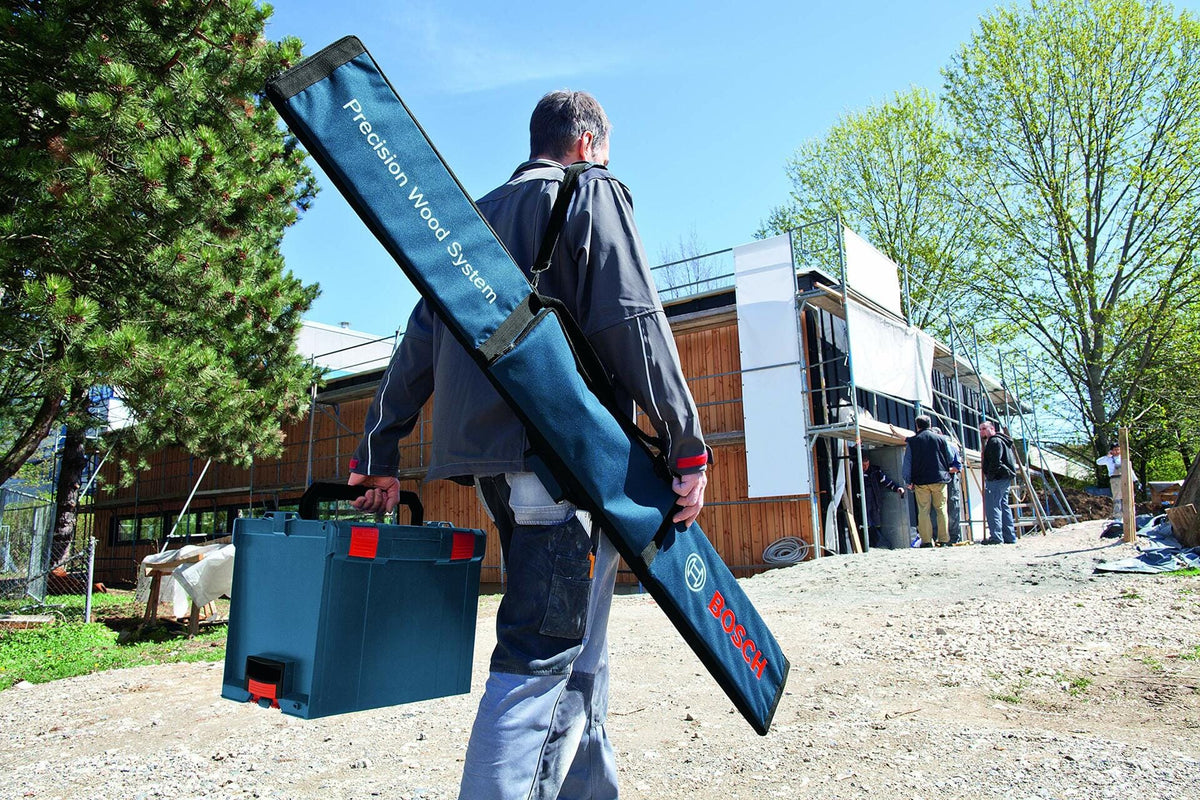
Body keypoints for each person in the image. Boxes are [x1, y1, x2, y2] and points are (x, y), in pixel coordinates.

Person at [346, 91, 709, 800]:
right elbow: (634, 318)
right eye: (605, 150)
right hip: (564, 461)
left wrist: (379, 451)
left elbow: (418, 343)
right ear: (586, 144)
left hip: (498, 467)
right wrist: (686, 441)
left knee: (578, 643)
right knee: (542, 648)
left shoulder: (467, 222)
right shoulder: (590, 192)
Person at [902, 415, 958, 547]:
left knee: (923, 511)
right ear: (930, 424)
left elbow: (907, 462)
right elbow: (950, 457)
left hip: (921, 481)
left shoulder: (913, 441)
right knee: (941, 509)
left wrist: (908, 480)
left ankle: (927, 541)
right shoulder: (941, 439)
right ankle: (943, 539)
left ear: (917, 425)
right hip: (939, 478)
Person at [979, 421, 1018, 544]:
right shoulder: (1003, 441)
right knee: (1003, 506)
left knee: (993, 507)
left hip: (997, 478)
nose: (982, 431)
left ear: (992, 428)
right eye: (980, 429)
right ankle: (1009, 537)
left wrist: (990, 476)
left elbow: (996, 462)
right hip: (1003, 478)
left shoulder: (994, 441)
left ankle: (996, 537)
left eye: (984, 428)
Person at [859, 452, 905, 548]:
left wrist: (897, 488)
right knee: (866, 522)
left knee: (876, 522)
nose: (865, 467)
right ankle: (867, 545)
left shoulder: (875, 471)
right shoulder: (854, 472)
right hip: (861, 503)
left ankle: (877, 544)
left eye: (867, 465)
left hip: (875, 501)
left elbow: (886, 482)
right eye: (863, 465)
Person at [1096, 443, 1124, 519]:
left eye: (1118, 449)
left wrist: (1135, 480)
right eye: (1115, 450)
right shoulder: (1108, 459)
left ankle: (1126, 515)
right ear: (1111, 450)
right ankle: (1118, 516)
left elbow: (1130, 469)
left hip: (1124, 478)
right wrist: (1107, 456)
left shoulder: (1123, 458)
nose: (1117, 451)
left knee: (1126, 497)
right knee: (1117, 498)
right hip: (1115, 479)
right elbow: (1098, 462)